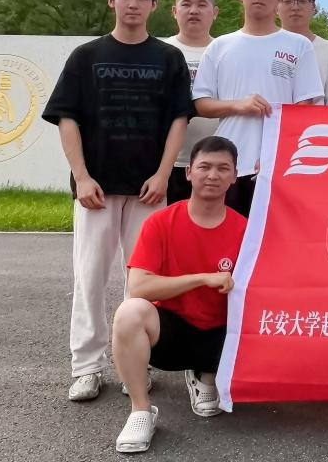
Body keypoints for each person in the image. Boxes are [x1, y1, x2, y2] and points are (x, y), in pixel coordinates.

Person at [42, 0, 192, 402]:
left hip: (149, 189)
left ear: (154, 5)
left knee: (142, 285)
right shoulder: (85, 56)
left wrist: (163, 174)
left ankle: (135, 366)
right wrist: (82, 177)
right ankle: (86, 368)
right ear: (112, 1)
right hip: (96, 190)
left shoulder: (168, 58)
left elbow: (179, 119)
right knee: (89, 279)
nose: (133, 4)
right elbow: (67, 118)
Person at [111, 135, 247, 453]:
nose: (212, 175)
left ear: (234, 176)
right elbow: (139, 287)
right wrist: (201, 279)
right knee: (129, 313)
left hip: (222, 336)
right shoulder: (160, 223)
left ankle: (206, 374)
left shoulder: (247, 230)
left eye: (222, 168)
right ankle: (141, 410)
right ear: (188, 172)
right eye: (204, 167)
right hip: (172, 335)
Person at [193, 0, 323, 216]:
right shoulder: (220, 46)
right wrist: (238, 105)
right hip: (228, 166)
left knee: (276, 236)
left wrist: (279, 154)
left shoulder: (298, 45)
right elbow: (201, 104)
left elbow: (306, 107)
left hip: (278, 165)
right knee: (229, 234)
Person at [163, 0, 221, 204]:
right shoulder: (160, 52)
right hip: (168, 164)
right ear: (174, 11)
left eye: (202, 5)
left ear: (214, 12)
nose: (193, 11)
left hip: (218, 163)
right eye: (186, 4)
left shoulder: (227, 51)